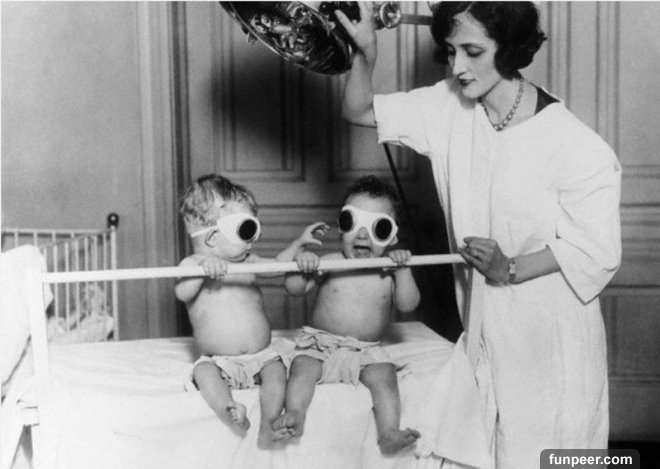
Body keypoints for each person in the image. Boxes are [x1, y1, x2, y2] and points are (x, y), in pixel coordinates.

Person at [336, 2, 622, 468]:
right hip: (485, 329)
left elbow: (597, 248)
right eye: (451, 51)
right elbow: (359, 109)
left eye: (473, 51)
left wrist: (510, 267)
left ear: (508, 47)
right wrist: (365, 54)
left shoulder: (575, 145)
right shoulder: (449, 105)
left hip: (551, 340)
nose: (457, 67)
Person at [175, 174, 328, 448]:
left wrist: (298, 244)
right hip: (218, 361)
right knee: (204, 374)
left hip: (261, 356)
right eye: (245, 230)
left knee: (277, 373)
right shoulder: (192, 264)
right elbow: (182, 293)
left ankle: (268, 426)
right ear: (212, 236)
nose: (252, 240)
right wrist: (202, 271)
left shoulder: (248, 260)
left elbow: (278, 266)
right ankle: (229, 409)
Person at [273, 175, 422, 455]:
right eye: (352, 223)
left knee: (385, 375)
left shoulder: (388, 270)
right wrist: (301, 264)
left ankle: (389, 432)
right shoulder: (331, 261)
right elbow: (295, 289)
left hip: (365, 350)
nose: (362, 235)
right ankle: (295, 413)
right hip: (321, 344)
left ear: (392, 236)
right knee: (302, 367)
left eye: (378, 228)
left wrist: (404, 271)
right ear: (341, 228)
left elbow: (408, 305)